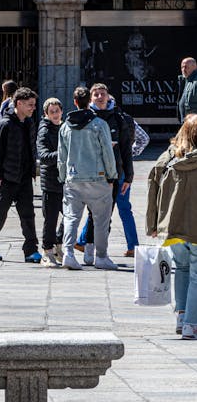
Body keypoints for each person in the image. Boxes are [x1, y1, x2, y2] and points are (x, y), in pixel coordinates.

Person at [146, 114, 197, 340]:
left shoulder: (167, 158)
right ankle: (191, 325)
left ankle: (181, 317)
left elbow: (152, 189)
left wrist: (153, 224)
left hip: (171, 229)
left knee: (182, 269)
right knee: (196, 273)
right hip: (194, 227)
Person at [57, 86, 118, 270]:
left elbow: (62, 156)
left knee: (71, 218)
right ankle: (101, 256)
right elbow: (108, 152)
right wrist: (111, 175)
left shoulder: (65, 126)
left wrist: (62, 176)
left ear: (75, 102)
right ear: (88, 102)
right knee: (101, 220)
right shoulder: (99, 124)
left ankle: (68, 253)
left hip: (73, 178)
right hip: (98, 178)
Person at [76, 83, 138, 259]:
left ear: (109, 96)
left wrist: (129, 176)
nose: (100, 97)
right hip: (93, 174)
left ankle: (100, 250)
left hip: (116, 173)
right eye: (96, 94)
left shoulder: (119, 119)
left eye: (103, 94)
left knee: (110, 213)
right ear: (90, 98)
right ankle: (88, 247)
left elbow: (127, 149)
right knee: (93, 212)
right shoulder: (86, 117)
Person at [0, 87, 39, 262]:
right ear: (19, 104)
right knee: (0, 213)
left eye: (34, 105)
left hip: (25, 178)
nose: (33, 108)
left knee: (28, 214)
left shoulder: (29, 123)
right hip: (7, 178)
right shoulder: (4, 124)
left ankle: (30, 250)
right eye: (30, 105)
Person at [35, 97, 65, 267]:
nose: (55, 114)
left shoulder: (65, 127)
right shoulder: (44, 131)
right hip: (51, 182)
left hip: (65, 181)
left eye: (57, 111)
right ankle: (47, 251)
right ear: (46, 113)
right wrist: (63, 153)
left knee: (69, 216)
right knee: (51, 219)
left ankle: (58, 244)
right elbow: (44, 157)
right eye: (51, 111)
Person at [178, 57, 197, 123]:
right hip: (187, 123)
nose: (183, 70)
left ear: (194, 67)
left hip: (194, 123)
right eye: (182, 67)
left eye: (186, 67)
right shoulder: (186, 80)